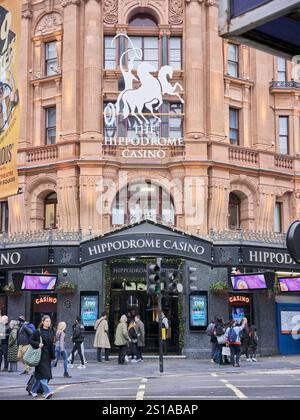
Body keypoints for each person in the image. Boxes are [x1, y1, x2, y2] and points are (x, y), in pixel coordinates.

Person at [29, 315, 55, 399]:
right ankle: (47, 392)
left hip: (48, 356)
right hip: (39, 355)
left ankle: (33, 390)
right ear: (42, 322)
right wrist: (38, 344)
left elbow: (52, 345)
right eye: (47, 321)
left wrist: (53, 356)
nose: (48, 323)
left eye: (49, 321)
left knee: (40, 375)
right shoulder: (37, 331)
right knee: (44, 374)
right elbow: (30, 340)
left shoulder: (51, 331)